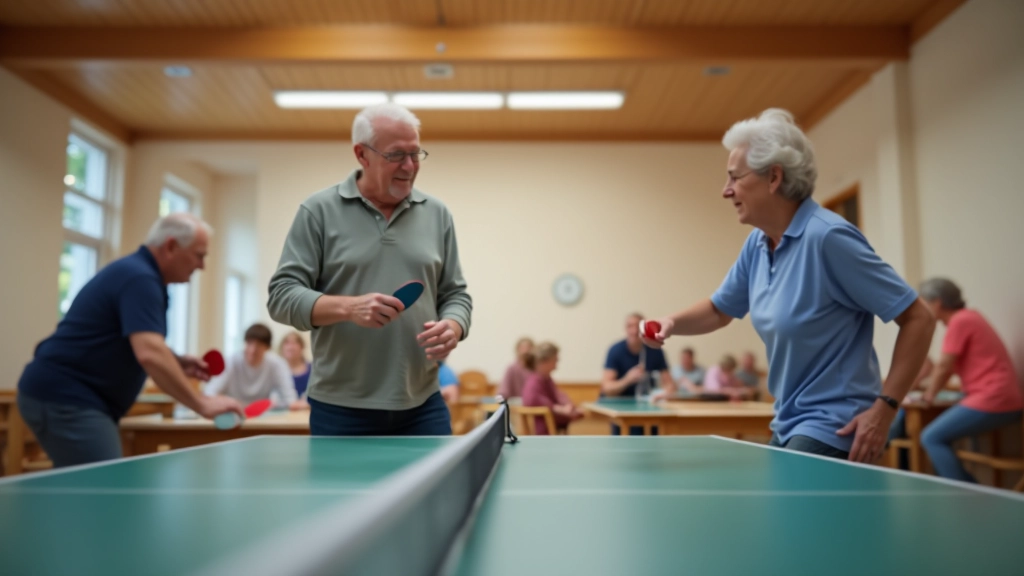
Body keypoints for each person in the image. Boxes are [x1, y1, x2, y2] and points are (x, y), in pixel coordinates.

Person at [643, 109, 935, 462]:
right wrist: (671, 324)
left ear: (774, 177)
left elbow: (919, 318)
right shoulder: (758, 243)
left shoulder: (828, 238)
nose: (726, 190)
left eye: (735, 177)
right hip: (787, 422)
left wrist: (885, 408)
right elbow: (720, 310)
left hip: (836, 425)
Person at [268, 103, 473, 436]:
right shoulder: (317, 211)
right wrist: (349, 307)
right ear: (361, 154)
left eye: (415, 153)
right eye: (396, 155)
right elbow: (281, 297)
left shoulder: (437, 214)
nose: (409, 166)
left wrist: (454, 325)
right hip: (340, 409)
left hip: (424, 404)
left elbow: (455, 294)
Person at [16, 214, 243, 467]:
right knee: (105, 491)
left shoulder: (142, 277)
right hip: (67, 397)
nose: (202, 265)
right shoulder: (140, 278)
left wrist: (177, 361)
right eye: (199, 255)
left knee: (86, 492)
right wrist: (202, 403)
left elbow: (134, 339)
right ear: (170, 247)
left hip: (72, 397)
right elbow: (149, 353)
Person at [914, 278, 1023, 482]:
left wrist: (928, 396)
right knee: (938, 436)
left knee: (931, 437)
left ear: (936, 303)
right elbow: (945, 370)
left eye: (924, 303)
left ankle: (969, 495)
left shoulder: (960, 321)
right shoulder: (969, 318)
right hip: (1001, 397)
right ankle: (960, 492)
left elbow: (944, 366)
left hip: (994, 398)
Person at [601, 313, 675, 435]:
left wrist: (662, 394)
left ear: (644, 329)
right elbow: (607, 389)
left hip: (650, 411)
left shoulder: (656, 350)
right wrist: (628, 379)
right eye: (630, 326)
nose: (634, 331)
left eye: (638, 326)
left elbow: (670, 385)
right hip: (622, 412)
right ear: (625, 329)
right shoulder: (615, 351)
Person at [205, 323, 303, 410]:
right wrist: (231, 403)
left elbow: (290, 399)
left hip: (262, 418)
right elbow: (209, 394)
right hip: (232, 414)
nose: (252, 350)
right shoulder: (231, 362)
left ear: (267, 347)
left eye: (259, 345)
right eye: (249, 343)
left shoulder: (277, 364)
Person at [522, 342, 584, 434]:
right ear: (544, 361)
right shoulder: (534, 381)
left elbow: (558, 395)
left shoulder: (547, 379)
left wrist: (568, 406)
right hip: (542, 434)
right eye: (555, 359)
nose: (558, 360)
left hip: (554, 429)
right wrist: (559, 409)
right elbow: (532, 400)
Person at [279, 331, 312, 401]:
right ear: (282, 347)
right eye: (287, 343)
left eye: (295, 343)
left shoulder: (312, 369)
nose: (291, 347)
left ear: (302, 347)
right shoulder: (276, 371)